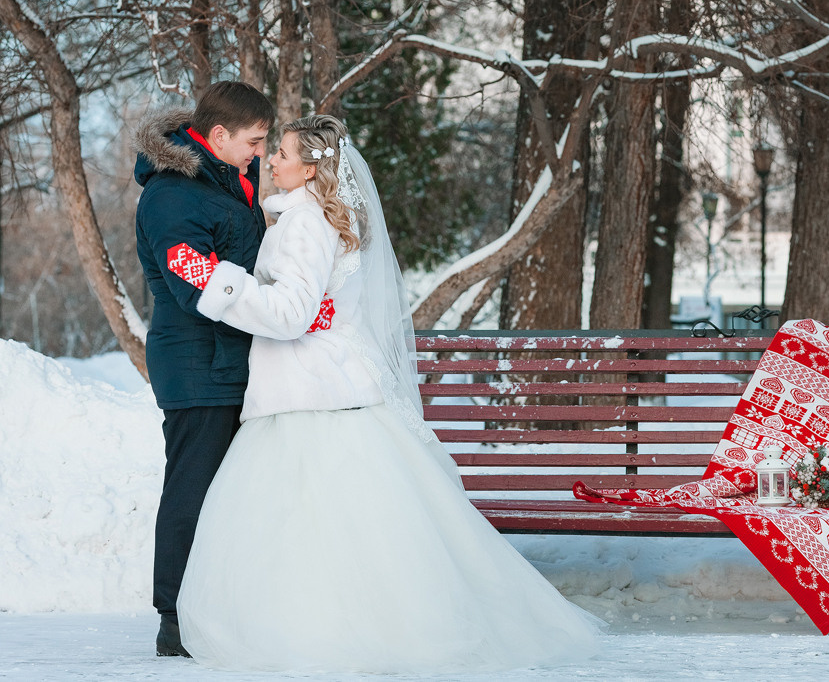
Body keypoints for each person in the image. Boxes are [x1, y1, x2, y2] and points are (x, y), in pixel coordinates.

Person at [170, 114, 602, 674]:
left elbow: (292, 313)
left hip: (308, 392)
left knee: (302, 526)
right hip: (327, 386)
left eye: (282, 153)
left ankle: (314, 634)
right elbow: (320, 306)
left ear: (310, 169)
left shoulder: (302, 224)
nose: (270, 160)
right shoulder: (324, 217)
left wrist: (216, 281)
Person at [132, 81, 275, 657]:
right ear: (218, 135)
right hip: (197, 365)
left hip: (229, 359)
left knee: (229, 493)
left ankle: (217, 609)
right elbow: (195, 277)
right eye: (255, 141)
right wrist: (283, 310)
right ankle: (175, 620)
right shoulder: (172, 195)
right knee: (193, 489)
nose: (261, 152)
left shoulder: (224, 180)